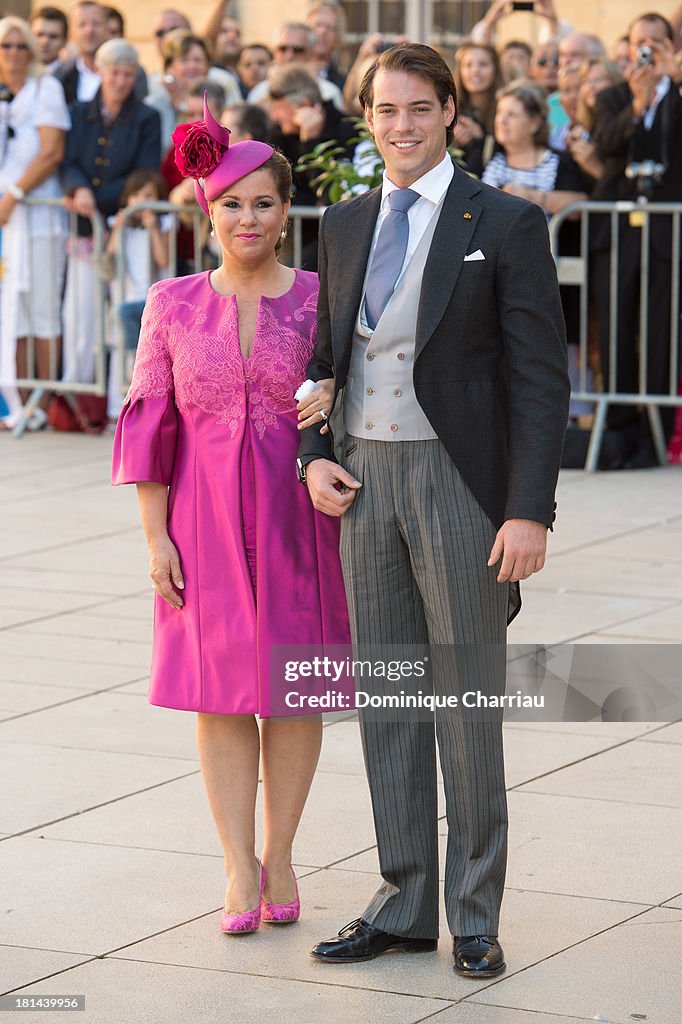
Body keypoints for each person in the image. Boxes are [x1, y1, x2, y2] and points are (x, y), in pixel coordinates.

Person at [297, 43, 569, 977]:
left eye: (420, 109)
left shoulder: (505, 220)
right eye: (386, 110)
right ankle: (405, 898)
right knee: (391, 701)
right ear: (365, 117)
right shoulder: (341, 222)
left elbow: (541, 378)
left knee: (465, 701)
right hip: (363, 479)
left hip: (459, 486)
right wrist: (310, 459)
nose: (402, 127)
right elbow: (320, 365)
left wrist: (527, 508)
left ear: (453, 111)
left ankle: (475, 910)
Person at [112, 98, 350, 934]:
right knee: (219, 695)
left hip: (301, 517)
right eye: (230, 203)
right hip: (201, 518)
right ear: (205, 210)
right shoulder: (170, 303)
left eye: (262, 201)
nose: (246, 217)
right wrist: (154, 538)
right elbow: (152, 422)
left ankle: (282, 854)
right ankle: (236, 866)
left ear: (287, 212)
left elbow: (349, 407)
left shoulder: (324, 297)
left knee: (291, 691)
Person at [590, 11, 682, 466]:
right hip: (618, 229)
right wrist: (639, 105)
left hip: (667, 231)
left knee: (660, 330)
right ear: (626, 48)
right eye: (638, 42)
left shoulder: (679, 95)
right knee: (616, 327)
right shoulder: (611, 97)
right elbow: (604, 143)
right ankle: (621, 430)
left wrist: (672, 84)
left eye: (656, 42)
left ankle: (658, 433)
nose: (645, 50)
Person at [60, 38, 161, 389]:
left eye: (128, 74)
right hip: (86, 226)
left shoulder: (148, 117)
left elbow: (144, 172)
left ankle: (122, 393)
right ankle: (78, 389)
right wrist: (78, 188)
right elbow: (68, 160)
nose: (120, 80)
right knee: (80, 311)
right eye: (115, 73)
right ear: (101, 72)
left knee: (124, 311)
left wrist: (95, 195)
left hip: (127, 227)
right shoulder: (77, 112)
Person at [0, 16, 70, 431]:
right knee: (14, 309)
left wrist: (15, 195)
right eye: (5, 46)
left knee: (42, 308)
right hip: (8, 223)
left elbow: (50, 152)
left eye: (19, 45)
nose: (13, 53)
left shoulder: (46, 89)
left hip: (36, 214)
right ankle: (18, 401)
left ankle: (44, 396)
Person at [105, 169, 171, 419]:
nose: (141, 201)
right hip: (125, 296)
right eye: (136, 195)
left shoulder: (164, 223)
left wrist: (153, 229)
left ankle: (144, 403)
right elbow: (107, 264)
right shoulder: (117, 223)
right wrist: (118, 231)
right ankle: (117, 409)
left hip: (153, 299)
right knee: (123, 351)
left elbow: (163, 259)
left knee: (145, 353)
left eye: (148, 195)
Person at [247, 22, 345, 112]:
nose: (289, 56)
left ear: (311, 53)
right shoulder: (258, 93)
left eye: (297, 50)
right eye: (283, 49)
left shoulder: (329, 93)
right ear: (274, 52)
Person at [452, 42, 503, 175]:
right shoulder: (449, 108)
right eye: (468, 65)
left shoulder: (505, 107)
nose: (475, 71)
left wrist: (481, 138)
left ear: (495, 70)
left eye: (483, 65)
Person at [29, 6, 68, 73]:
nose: (45, 41)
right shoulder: (16, 75)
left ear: (64, 41)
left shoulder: (74, 78)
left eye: (53, 36)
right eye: (40, 35)